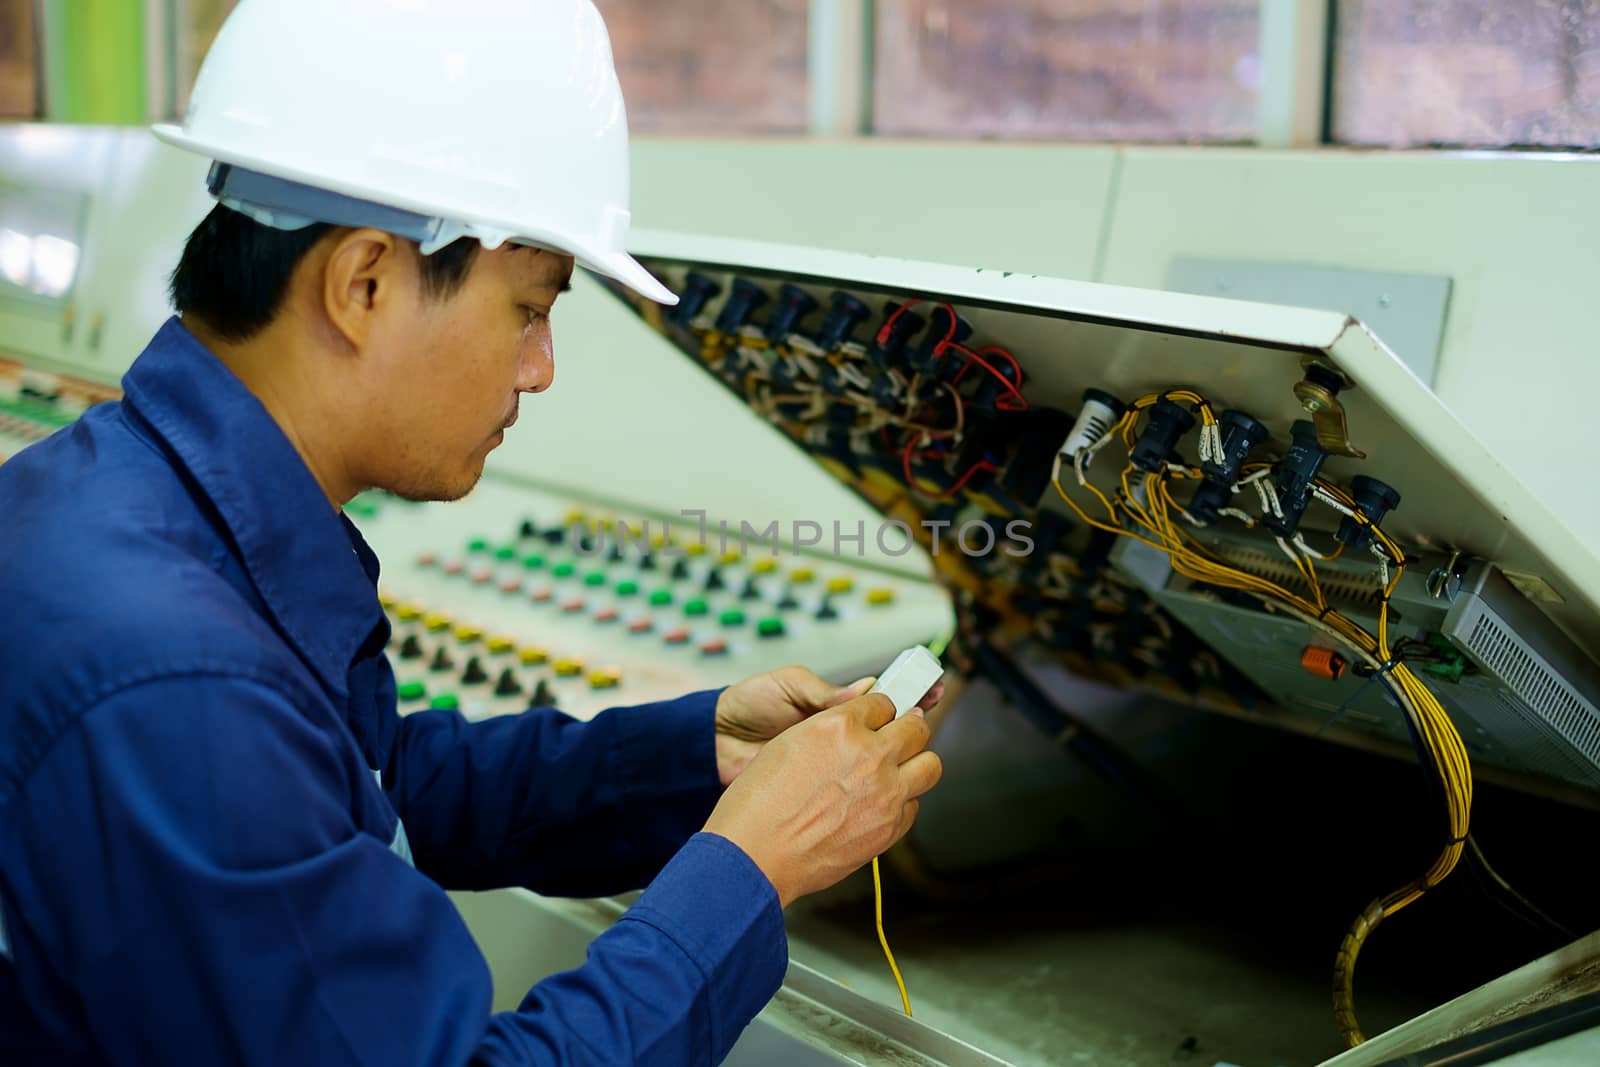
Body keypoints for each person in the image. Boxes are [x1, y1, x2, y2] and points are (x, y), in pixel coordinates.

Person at [0, 1, 943, 1063]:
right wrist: (748, 869)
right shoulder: (179, 681)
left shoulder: (113, 495)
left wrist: (692, 758)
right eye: (529, 309)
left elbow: (366, 779)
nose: (541, 366)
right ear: (363, 284)